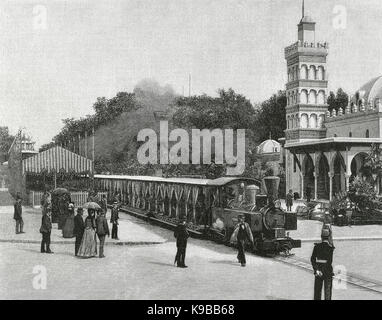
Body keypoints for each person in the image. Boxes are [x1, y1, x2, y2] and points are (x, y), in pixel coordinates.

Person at [310, 228, 335, 300]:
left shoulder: (316, 247)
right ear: (328, 237)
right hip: (327, 272)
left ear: (321, 237)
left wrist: (317, 270)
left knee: (317, 293)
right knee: (327, 293)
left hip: (318, 272)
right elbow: (329, 262)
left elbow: (312, 259)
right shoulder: (330, 248)